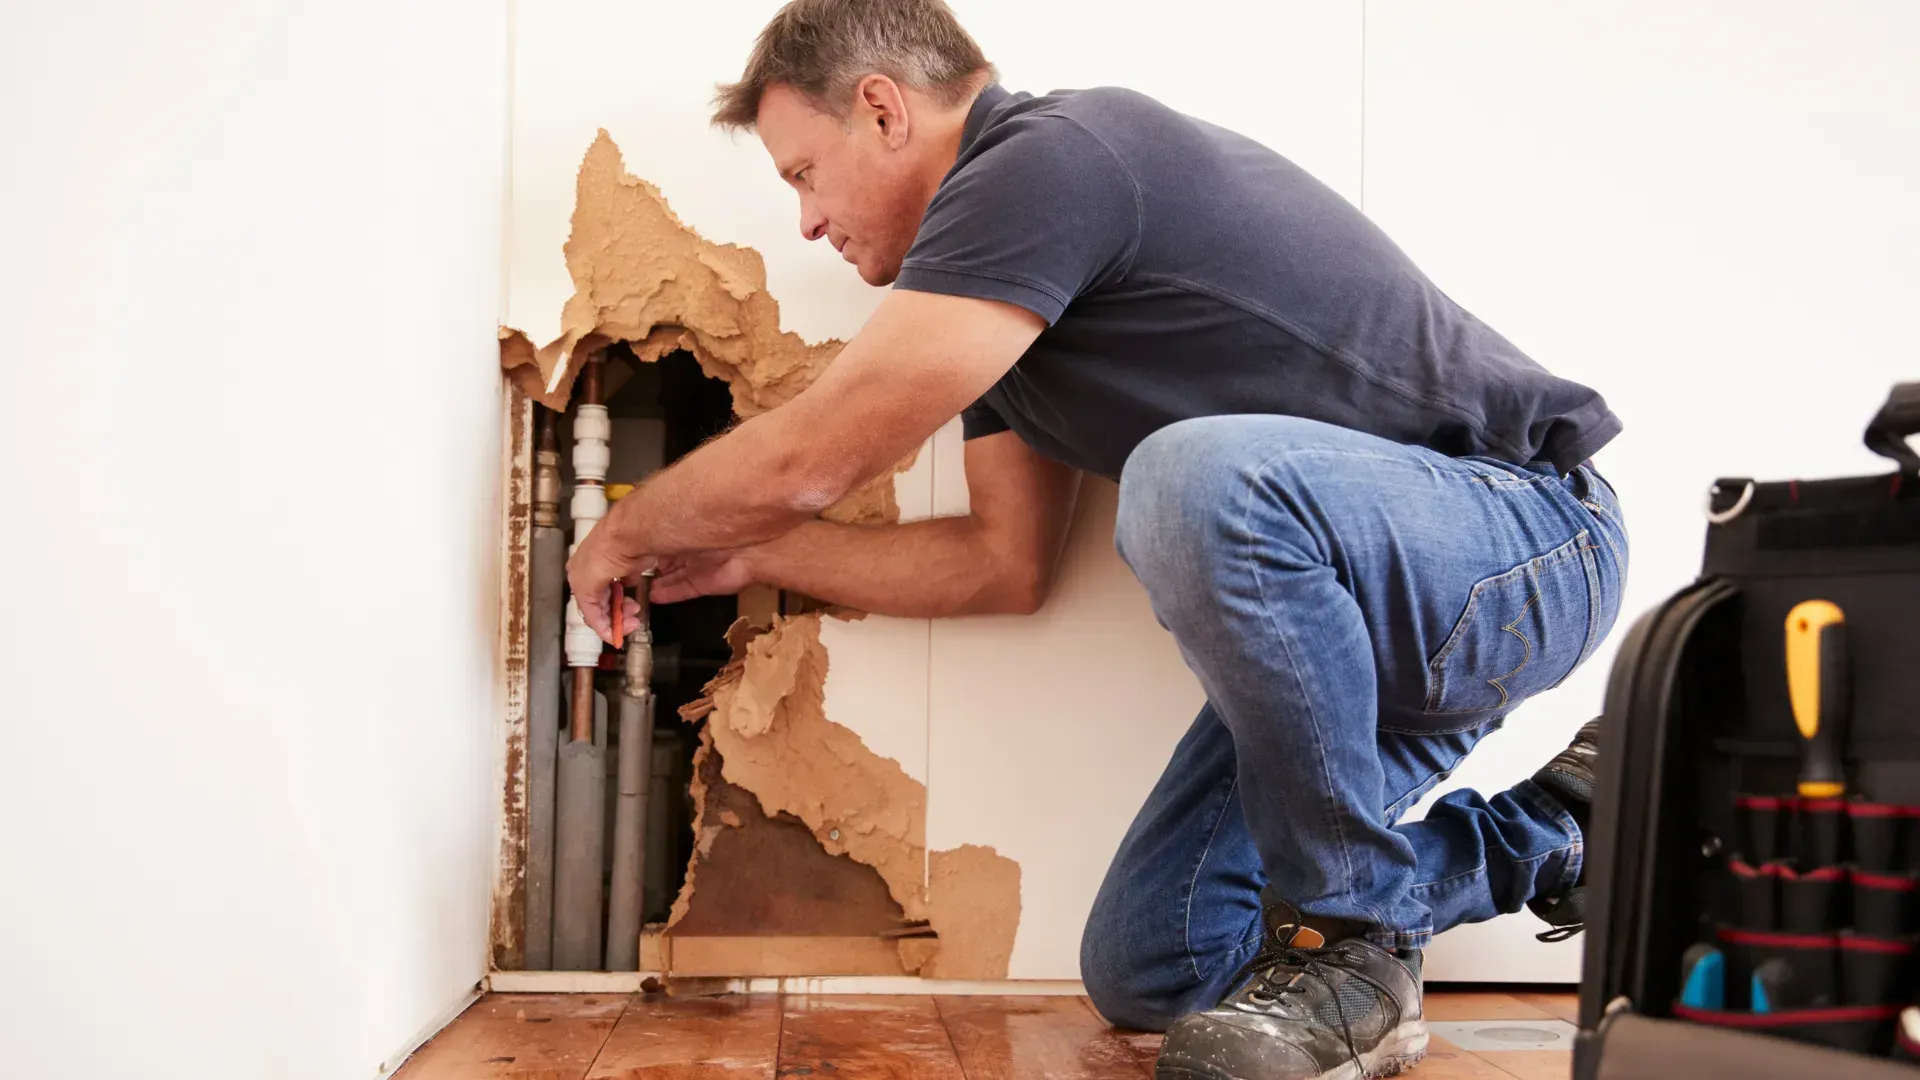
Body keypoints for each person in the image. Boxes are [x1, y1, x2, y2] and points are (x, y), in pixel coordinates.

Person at [566, 1, 1628, 1076]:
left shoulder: (1055, 158)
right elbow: (1001, 564)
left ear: (882, 109)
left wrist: (626, 529)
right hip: (1352, 641)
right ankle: (1560, 829)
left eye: (803, 173)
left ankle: (1353, 956)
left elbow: (815, 461)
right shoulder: (1000, 330)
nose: (804, 222)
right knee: (1155, 967)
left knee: (1190, 473)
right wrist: (753, 558)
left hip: (1522, 543)